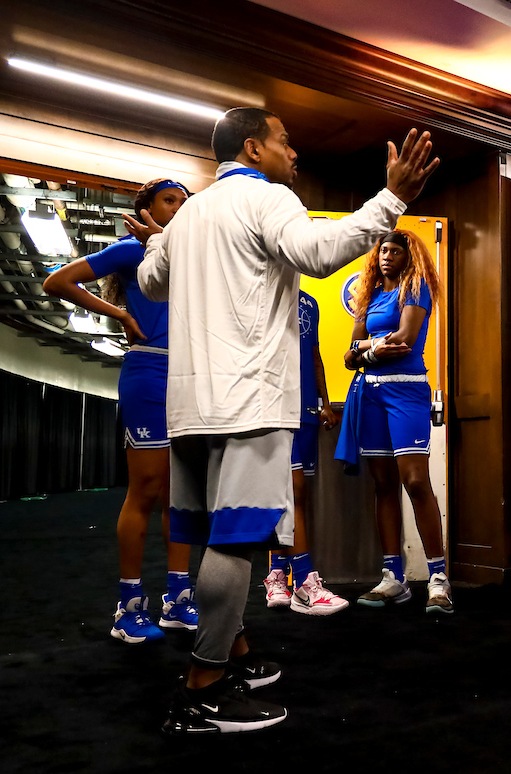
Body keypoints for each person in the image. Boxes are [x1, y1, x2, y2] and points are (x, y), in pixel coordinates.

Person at [134, 107, 438, 733]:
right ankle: (204, 686)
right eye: (285, 141)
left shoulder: (187, 214)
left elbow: (150, 281)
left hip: (190, 410)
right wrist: (392, 198)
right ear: (253, 148)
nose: (293, 152)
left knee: (213, 536)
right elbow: (321, 254)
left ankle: (234, 652)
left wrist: (163, 239)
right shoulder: (267, 197)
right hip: (248, 403)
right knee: (235, 541)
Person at [43, 178, 197, 644]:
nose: (179, 208)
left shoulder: (189, 258)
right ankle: (128, 607)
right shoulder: (134, 250)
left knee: (181, 494)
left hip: (189, 380)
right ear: (145, 208)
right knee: (146, 489)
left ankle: (177, 597)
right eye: (170, 200)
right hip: (148, 373)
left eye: (184, 202)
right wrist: (122, 316)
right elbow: (58, 281)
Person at [341, 229, 453, 615]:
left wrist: (363, 350)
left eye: (395, 251)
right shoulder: (368, 294)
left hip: (406, 390)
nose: (387, 256)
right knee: (383, 483)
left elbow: (403, 339)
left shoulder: (416, 285)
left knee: (416, 481)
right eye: (382, 250)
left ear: (409, 256)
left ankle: (438, 578)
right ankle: (394, 577)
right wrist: (370, 349)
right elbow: (347, 355)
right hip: (369, 393)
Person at [262, 289, 348, 616]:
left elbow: (315, 354)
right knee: (290, 491)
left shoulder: (311, 302)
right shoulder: (262, 290)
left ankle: (276, 574)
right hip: (276, 408)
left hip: (307, 410)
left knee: (300, 496)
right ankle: (304, 581)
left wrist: (325, 402)